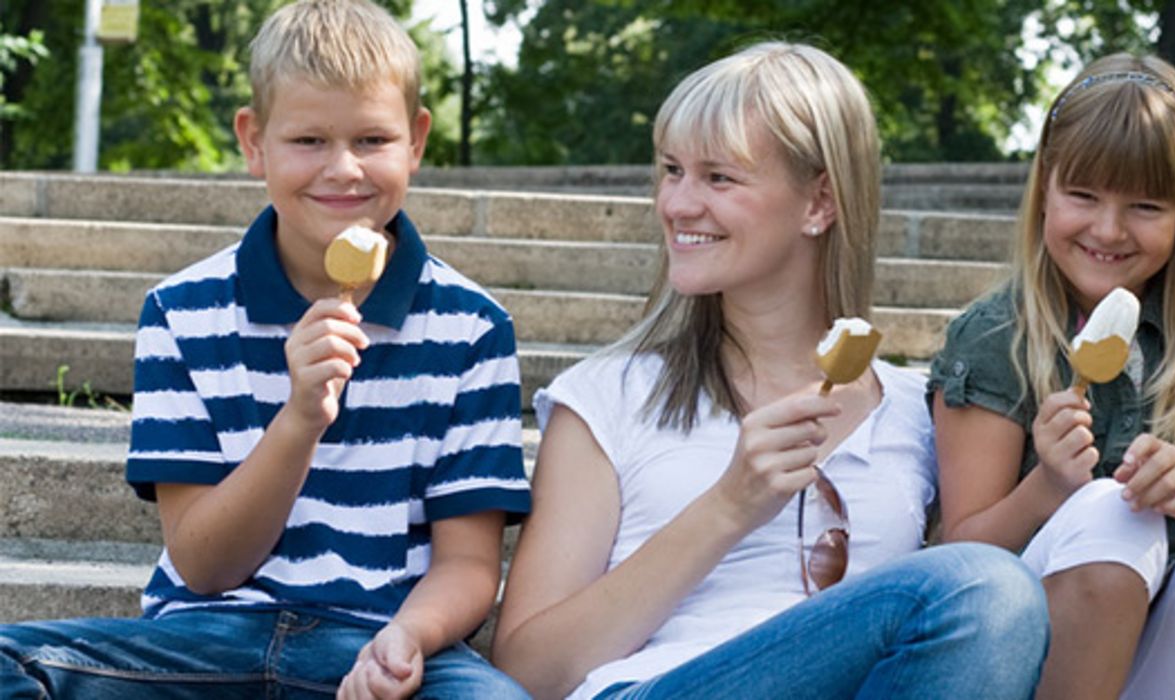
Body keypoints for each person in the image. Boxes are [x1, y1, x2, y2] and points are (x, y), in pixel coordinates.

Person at [0, 1, 531, 697]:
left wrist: (408, 637)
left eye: (372, 140)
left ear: (416, 141)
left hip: (383, 637)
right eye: (308, 141)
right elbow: (204, 566)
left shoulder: (472, 326)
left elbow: (467, 563)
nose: (343, 170)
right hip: (205, 641)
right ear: (253, 142)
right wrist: (300, 419)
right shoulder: (183, 312)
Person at [490, 41, 1049, 700]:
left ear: (819, 203)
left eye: (717, 177)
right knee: (982, 586)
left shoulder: (913, 411)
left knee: (993, 596)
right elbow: (527, 670)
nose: (677, 203)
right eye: (671, 170)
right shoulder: (606, 398)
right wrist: (727, 508)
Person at [928, 53, 1175, 700]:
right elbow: (956, 555)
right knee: (1109, 510)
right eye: (1082, 196)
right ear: (1044, 187)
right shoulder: (996, 337)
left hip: (1163, 655)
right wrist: (1047, 487)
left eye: (1143, 205)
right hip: (1020, 655)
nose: (1107, 230)